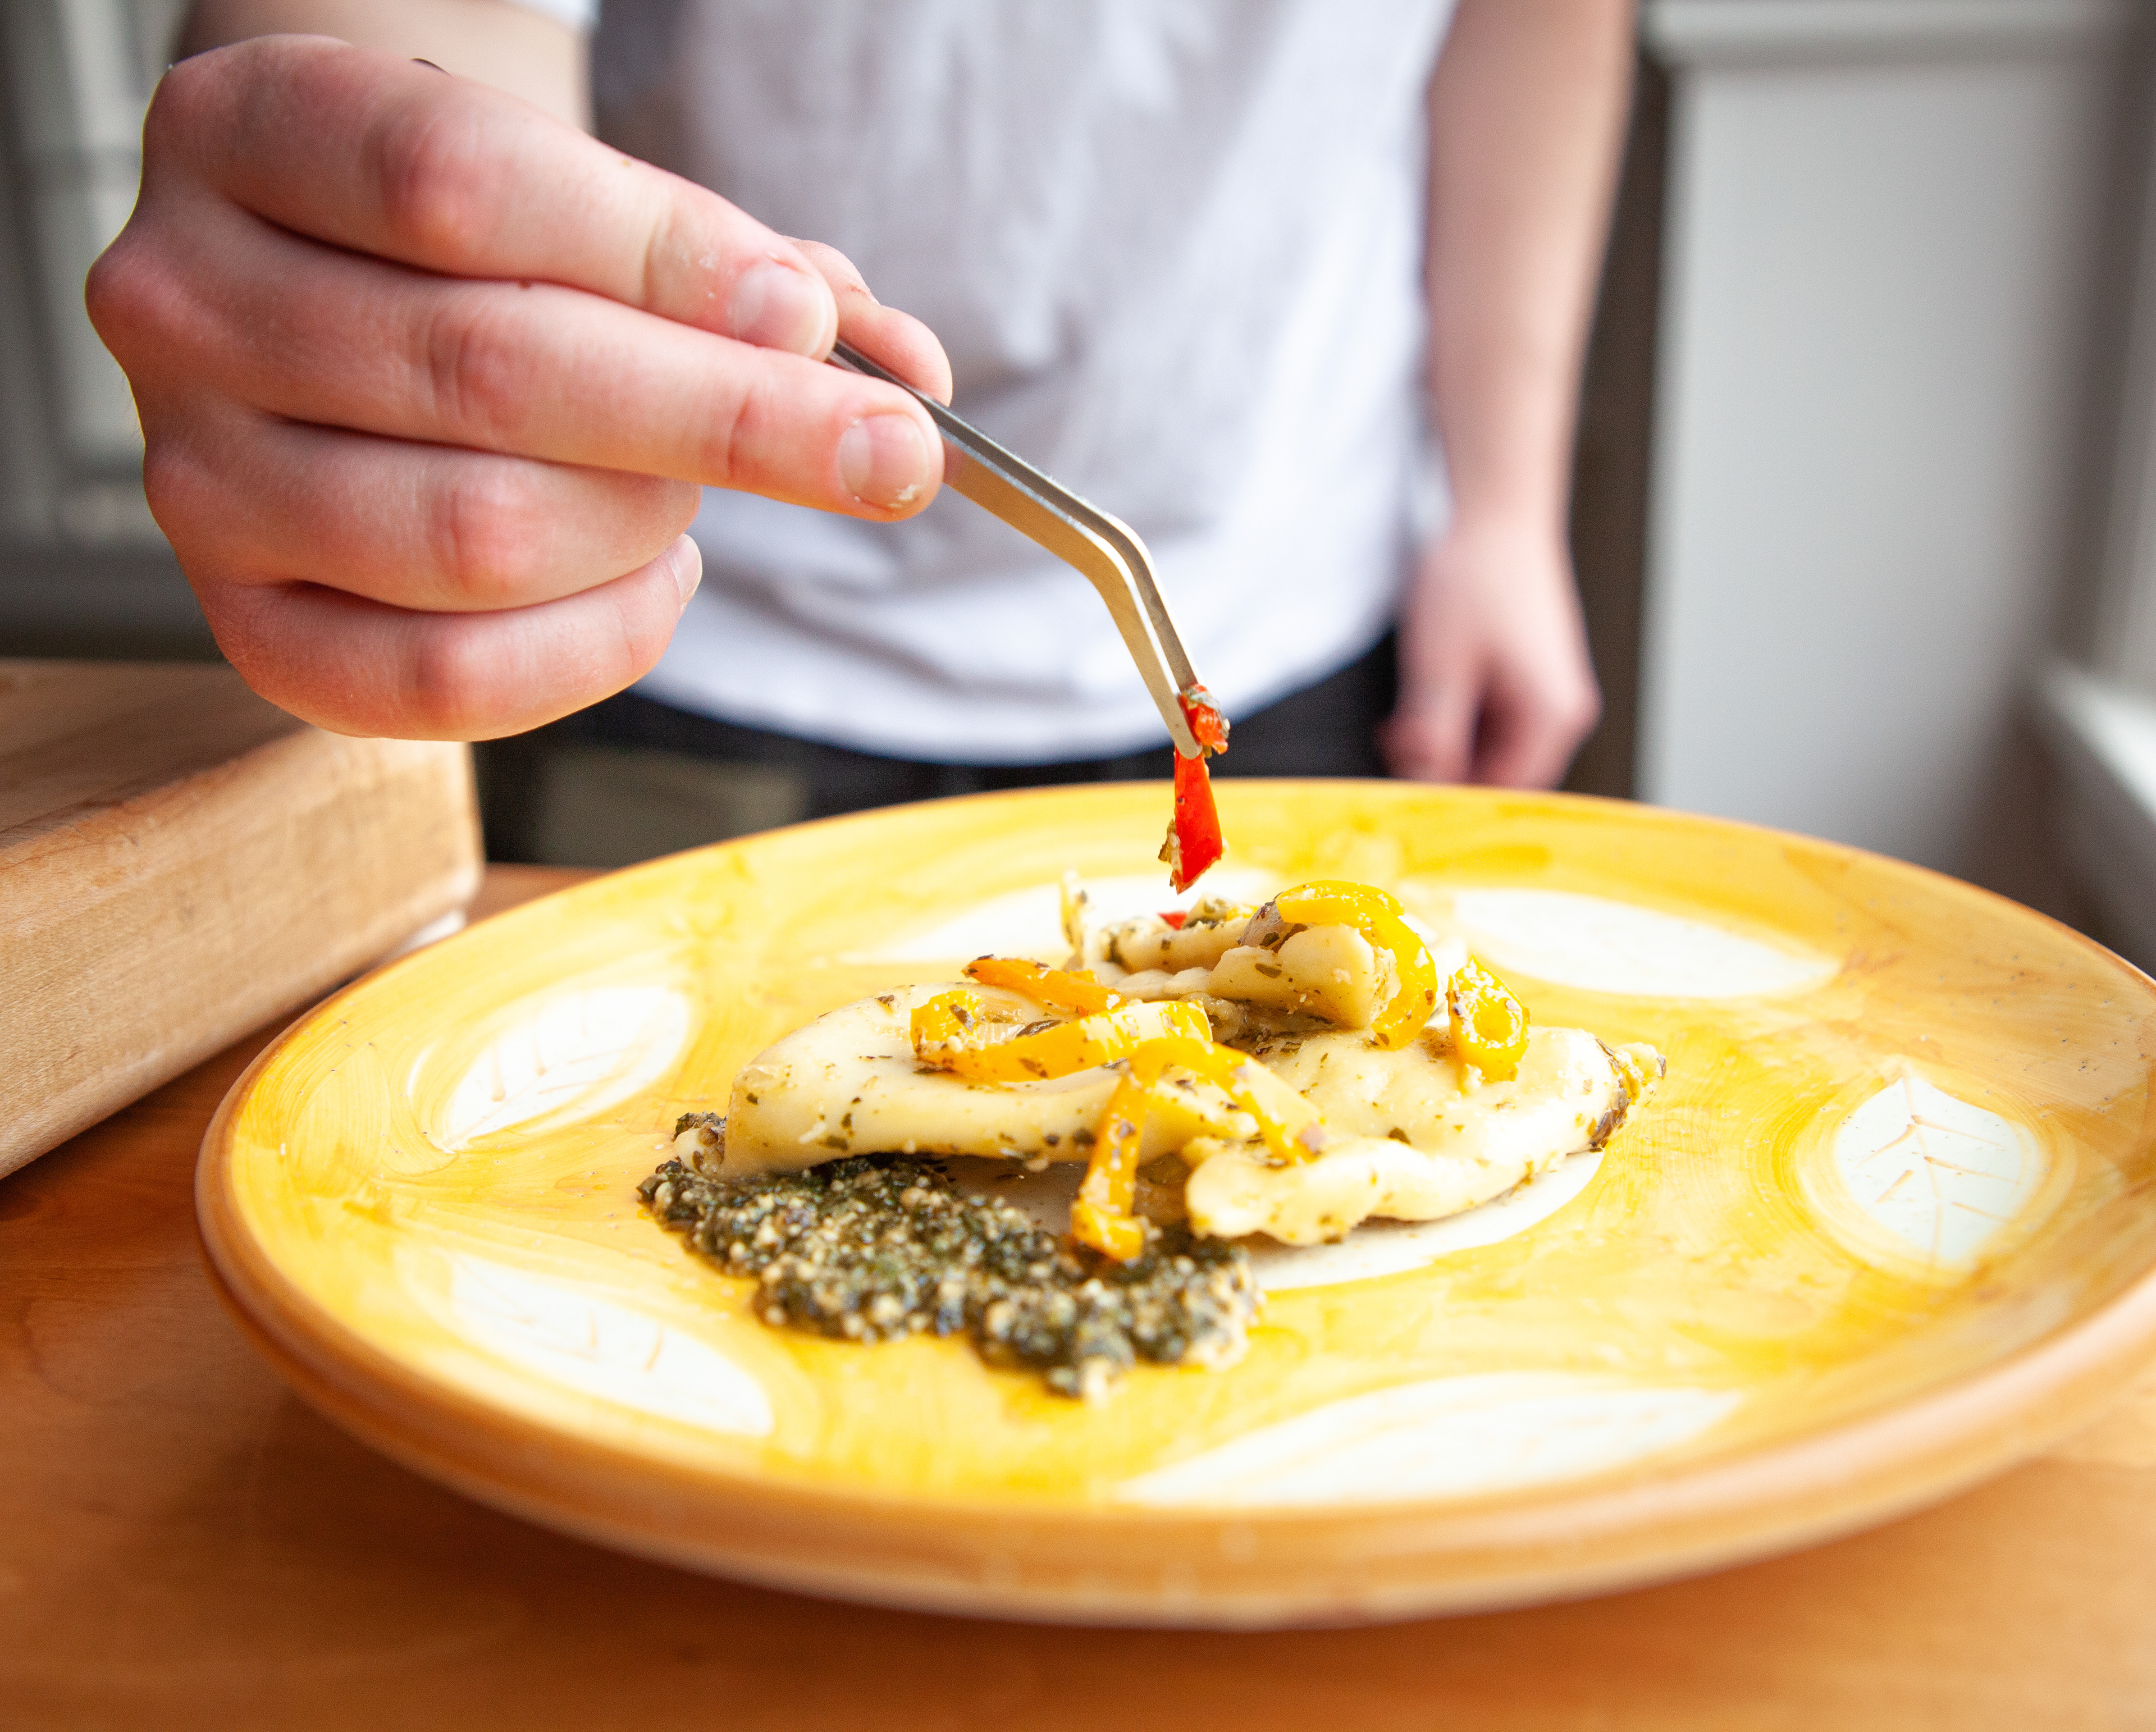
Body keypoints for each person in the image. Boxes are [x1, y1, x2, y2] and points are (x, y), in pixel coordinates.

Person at [90, 0, 1632, 824]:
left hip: (1295, 614)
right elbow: (426, 35)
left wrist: (1503, 506)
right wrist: (390, 259)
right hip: (686, 636)